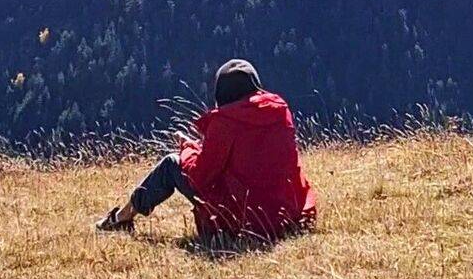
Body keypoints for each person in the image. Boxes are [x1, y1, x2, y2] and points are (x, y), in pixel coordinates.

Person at [96, 59, 316, 242]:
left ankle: (121, 218)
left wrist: (187, 147)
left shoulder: (225, 121)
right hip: (288, 215)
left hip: (246, 222)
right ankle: (122, 217)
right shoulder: (280, 110)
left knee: (171, 164)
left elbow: (201, 176)